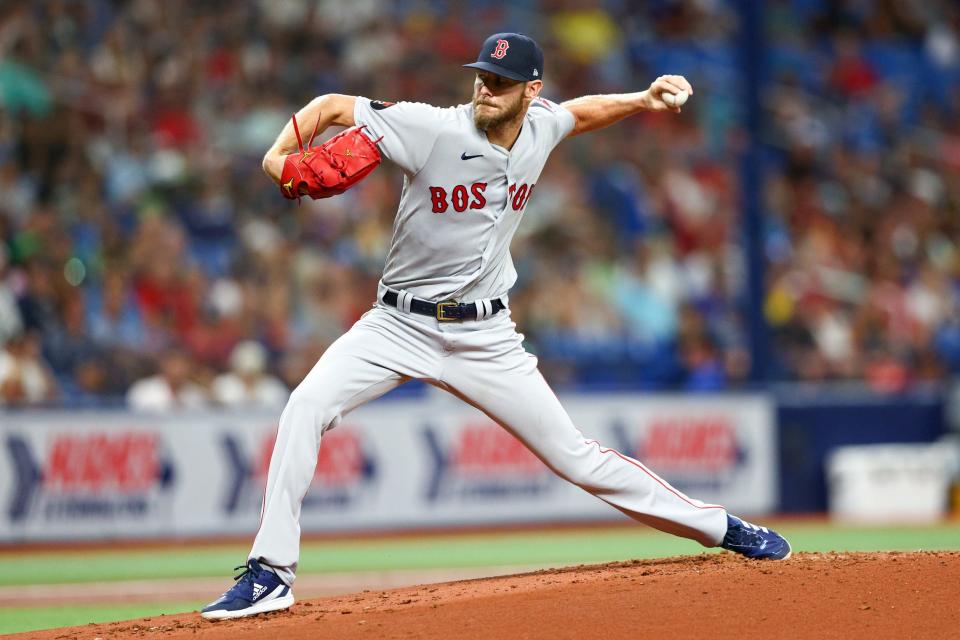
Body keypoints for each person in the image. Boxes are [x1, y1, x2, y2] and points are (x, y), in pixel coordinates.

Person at [201, 32, 791, 621]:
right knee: (305, 406)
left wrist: (641, 98)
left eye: (502, 82)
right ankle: (270, 573)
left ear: (531, 92)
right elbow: (331, 105)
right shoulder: (427, 126)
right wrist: (277, 153)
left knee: (576, 457)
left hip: (486, 337)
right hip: (396, 324)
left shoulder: (542, 126)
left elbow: (580, 113)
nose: (486, 88)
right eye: (482, 75)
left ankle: (722, 527)